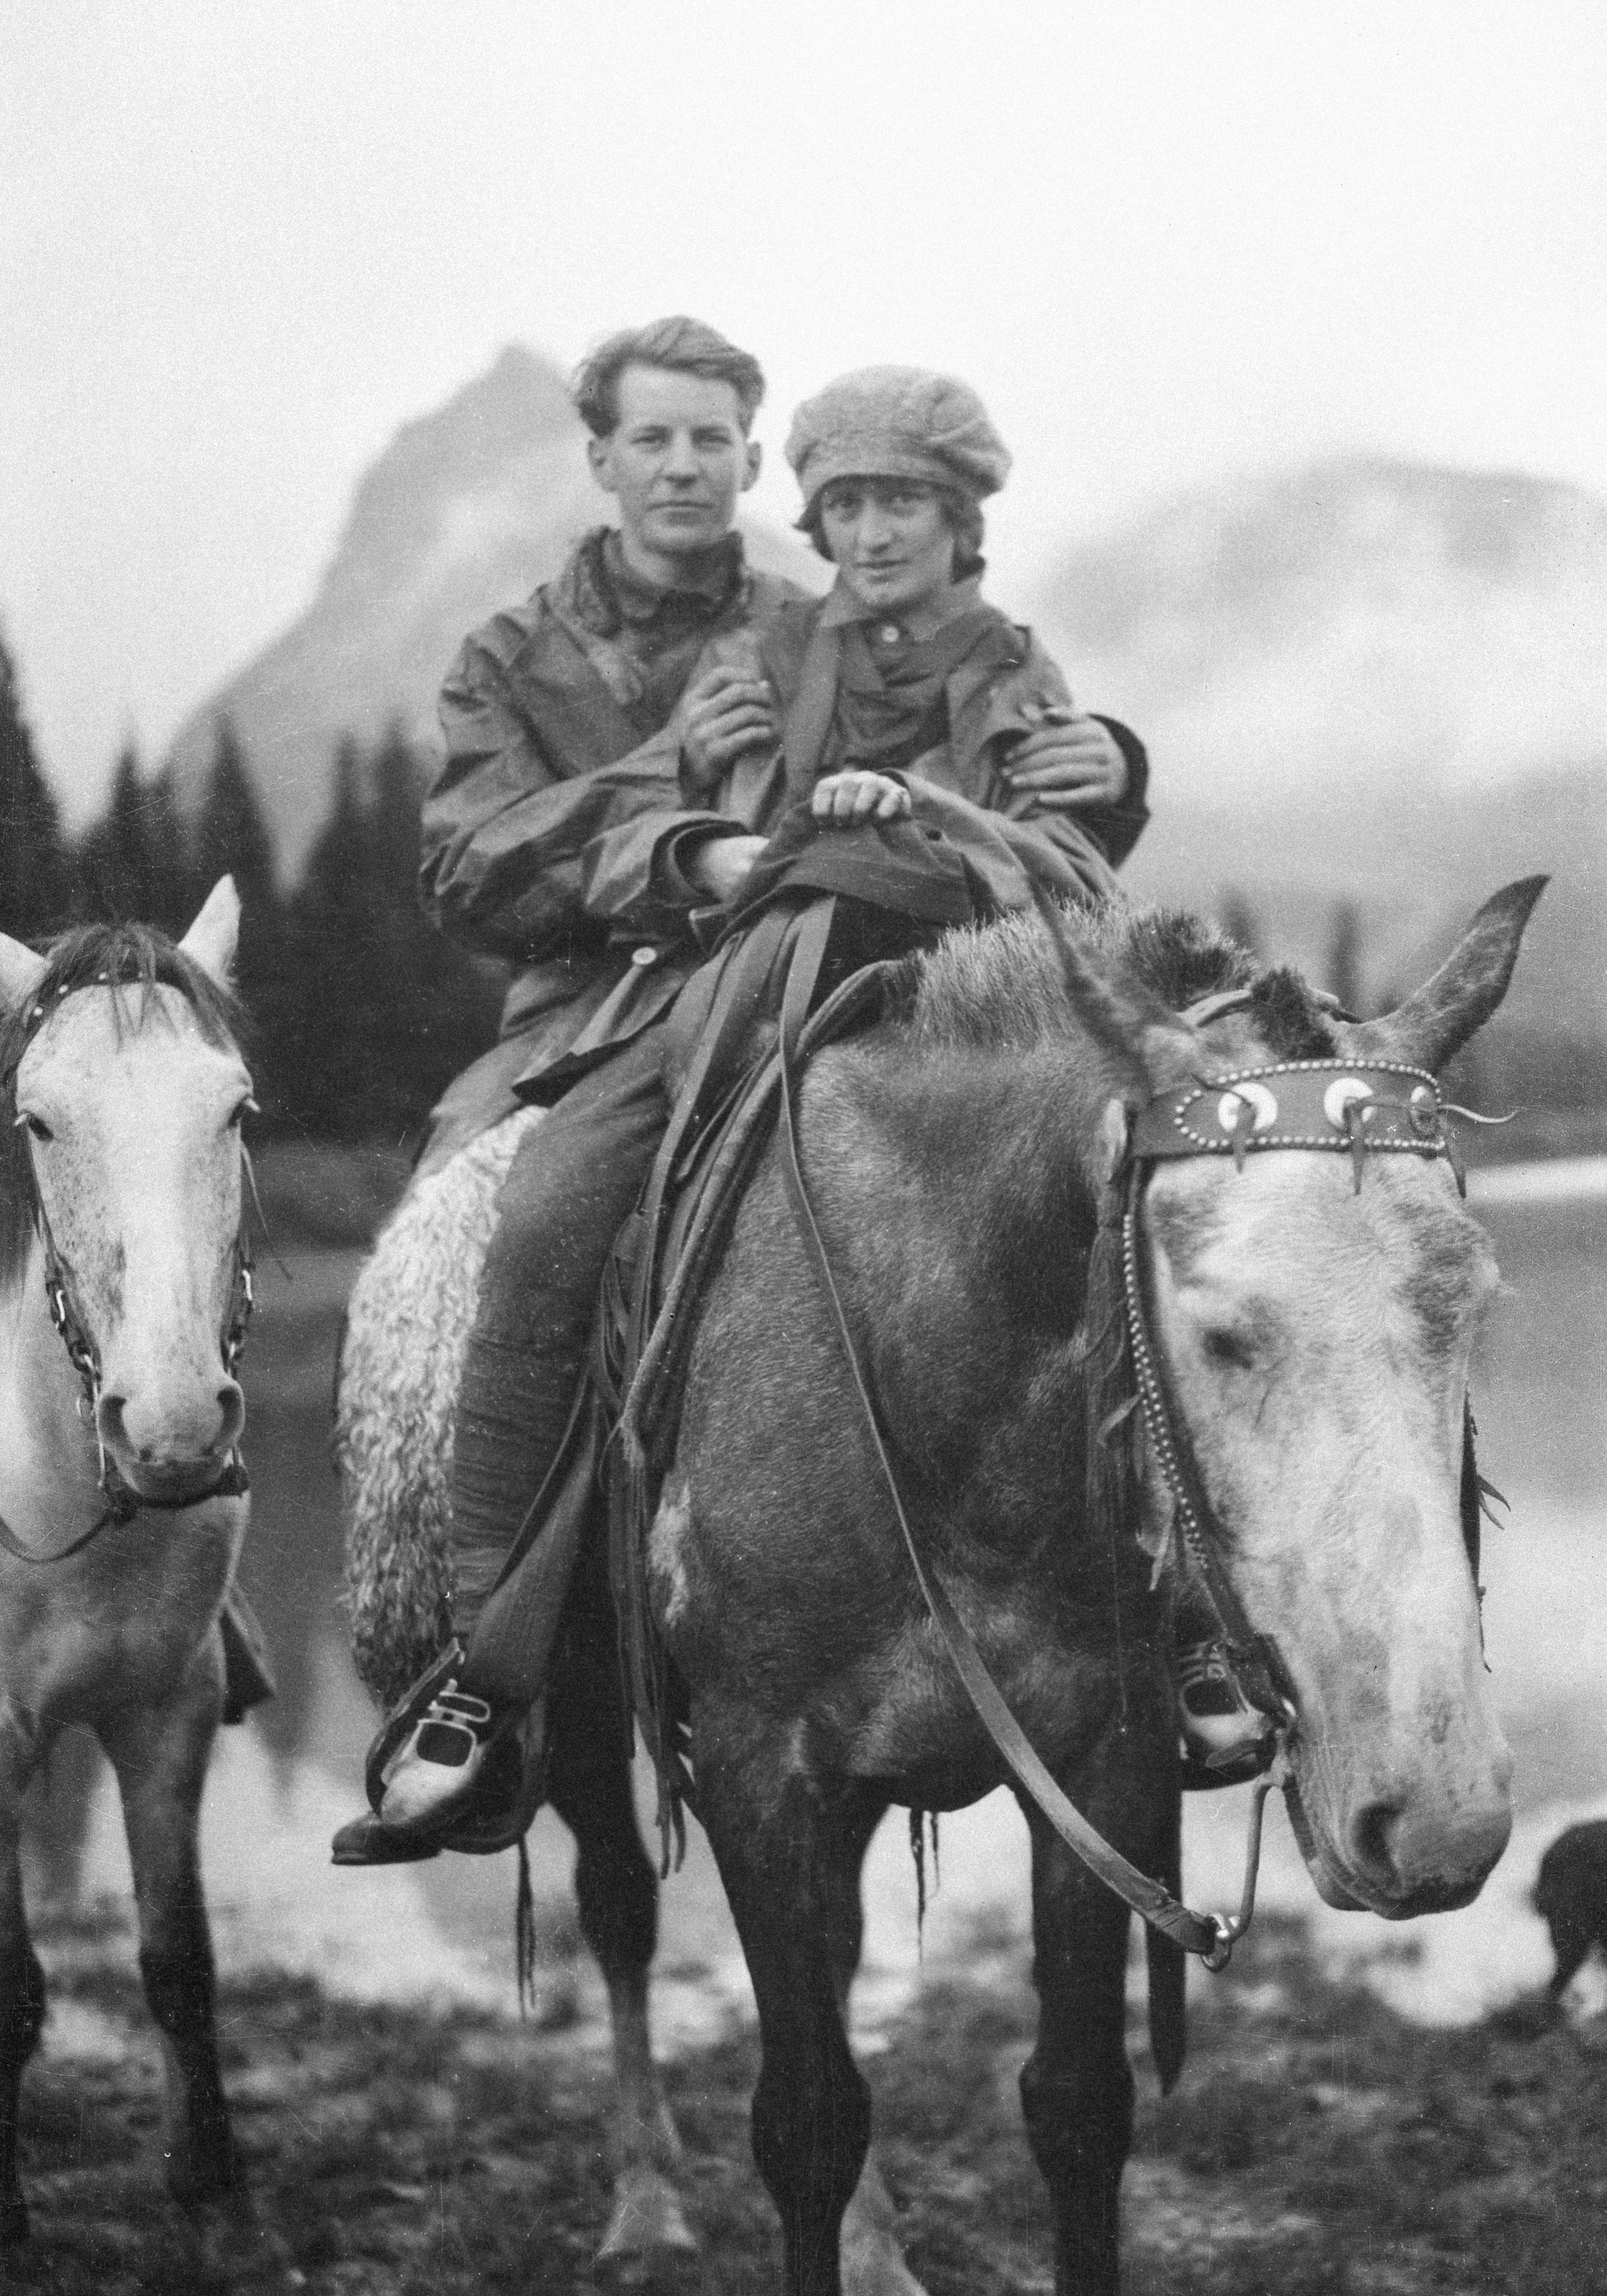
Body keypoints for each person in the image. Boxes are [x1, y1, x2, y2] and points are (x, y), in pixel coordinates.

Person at [339, 359, 1200, 1864]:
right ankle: (477, 1665)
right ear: (599, 458)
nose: (683, 466)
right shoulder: (506, 656)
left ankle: (1174, 1608)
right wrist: (684, 835)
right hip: (611, 1003)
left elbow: (982, 743)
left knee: (1120, 1182)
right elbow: (470, 862)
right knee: (518, 1229)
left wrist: (1112, 763)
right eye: (651, 439)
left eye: (711, 441)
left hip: (838, 973)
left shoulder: (816, 619)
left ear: (748, 466)